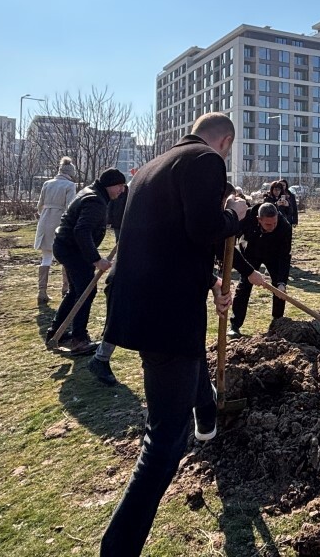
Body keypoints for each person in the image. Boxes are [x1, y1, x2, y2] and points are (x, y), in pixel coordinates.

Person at [99, 112, 248, 556]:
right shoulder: (205, 160)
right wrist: (235, 214)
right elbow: (204, 228)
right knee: (164, 438)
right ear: (225, 142)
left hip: (140, 305)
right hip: (167, 315)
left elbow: (168, 239)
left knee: (189, 365)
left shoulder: (153, 167)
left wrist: (213, 281)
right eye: (228, 150)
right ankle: (118, 548)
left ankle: (208, 422)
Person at [45, 168, 127, 354]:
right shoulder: (95, 200)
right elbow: (81, 231)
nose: (121, 191)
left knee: (76, 292)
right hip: (73, 250)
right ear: (110, 185)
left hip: (66, 247)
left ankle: (56, 332)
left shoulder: (92, 193)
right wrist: (96, 260)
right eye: (119, 187)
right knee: (85, 292)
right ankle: (78, 338)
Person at [228, 201, 292, 338]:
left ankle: (277, 323)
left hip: (273, 255)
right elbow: (231, 236)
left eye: (274, 223)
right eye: (268, 224)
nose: (272, 227)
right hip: (251, 252)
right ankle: (235, 325)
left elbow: (284, 256)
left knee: (279, 288)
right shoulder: (246, 217)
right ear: (259, 219)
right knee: (245, 285)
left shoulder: (284, 226)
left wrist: (282, 282)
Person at [87, 182, 130, 387]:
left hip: (130, 275)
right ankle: (100, 359)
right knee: (120, 317)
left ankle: (101, 358)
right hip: (126, 278)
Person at [33, 157, 76, 303]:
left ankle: (42, 291)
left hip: (44, 221)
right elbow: (71, 207)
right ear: (70, 173)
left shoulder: (47, 183)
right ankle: (65, 289)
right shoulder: (70, 185)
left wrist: (45, 214)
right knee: (65, 257)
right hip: (60, 223)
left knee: (46, 258)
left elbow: (40, 205)